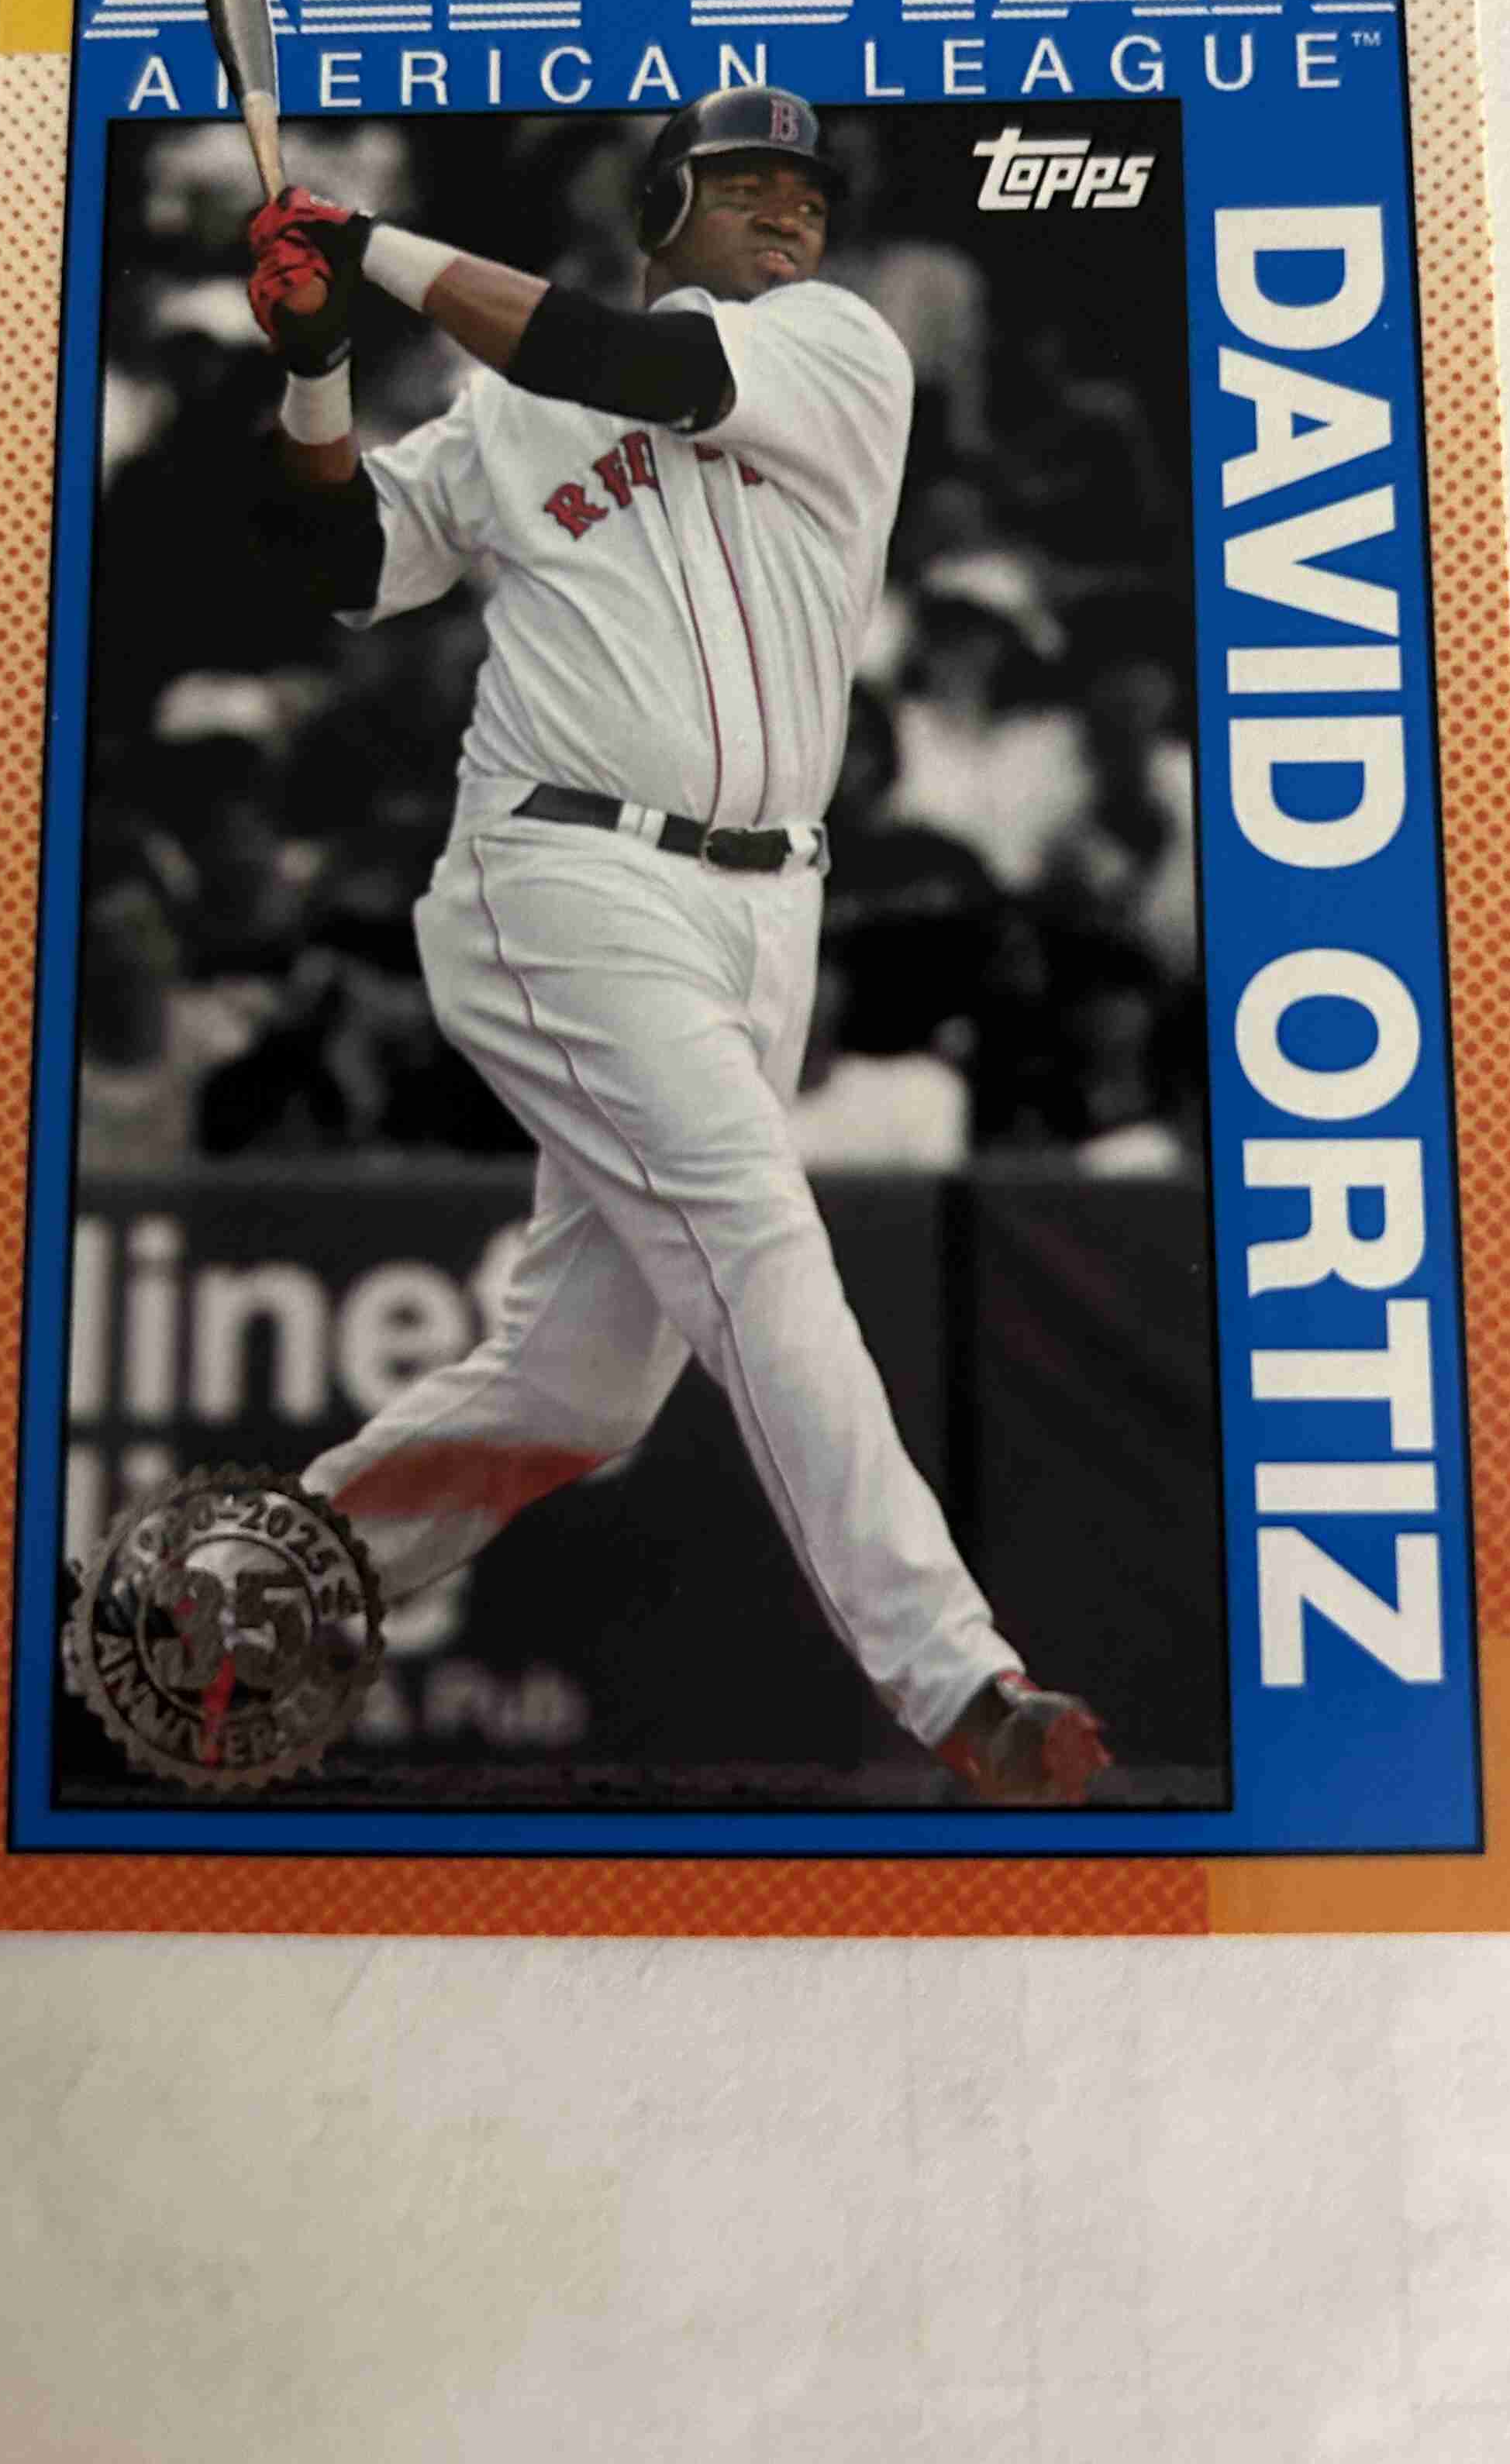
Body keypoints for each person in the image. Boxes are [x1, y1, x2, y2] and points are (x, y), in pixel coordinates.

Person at [233, 89, 1109, 1807]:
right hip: (559, 870)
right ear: (655, 210)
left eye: (808, 194)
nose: (791, 215)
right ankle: (962, 1680)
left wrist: (367, 248)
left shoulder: (837, 347)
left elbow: (633, 367)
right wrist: (317, 361)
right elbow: (339, 560)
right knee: (757, 1241)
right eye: (747, 185)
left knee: (585, 1386)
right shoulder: (503, 415)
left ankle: (239, 1598)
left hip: (765, 910)